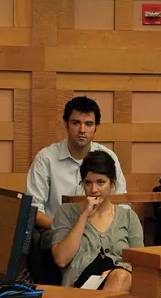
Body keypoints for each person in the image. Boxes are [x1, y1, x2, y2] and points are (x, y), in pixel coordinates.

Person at [27, 96, 128, 231]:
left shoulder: (109, 157)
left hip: (101, 234)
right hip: (57, 234)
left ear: (96, 127)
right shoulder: (46, 159)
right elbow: (33, 210)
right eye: (76, 123)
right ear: (66, 124)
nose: (82, 130)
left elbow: (122, 204)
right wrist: (65, 229)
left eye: (88, 124)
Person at [51, 150, 143, 293]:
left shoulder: (128, 217)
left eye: (100, 182)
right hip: (80, 289)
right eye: (88, 183)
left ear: (112, 183)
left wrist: (116, 272)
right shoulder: (66, 212)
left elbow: (141, 264)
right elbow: (61, 259)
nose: (94, 190)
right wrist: (84, 216)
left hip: (120, 283)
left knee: (120, 278)